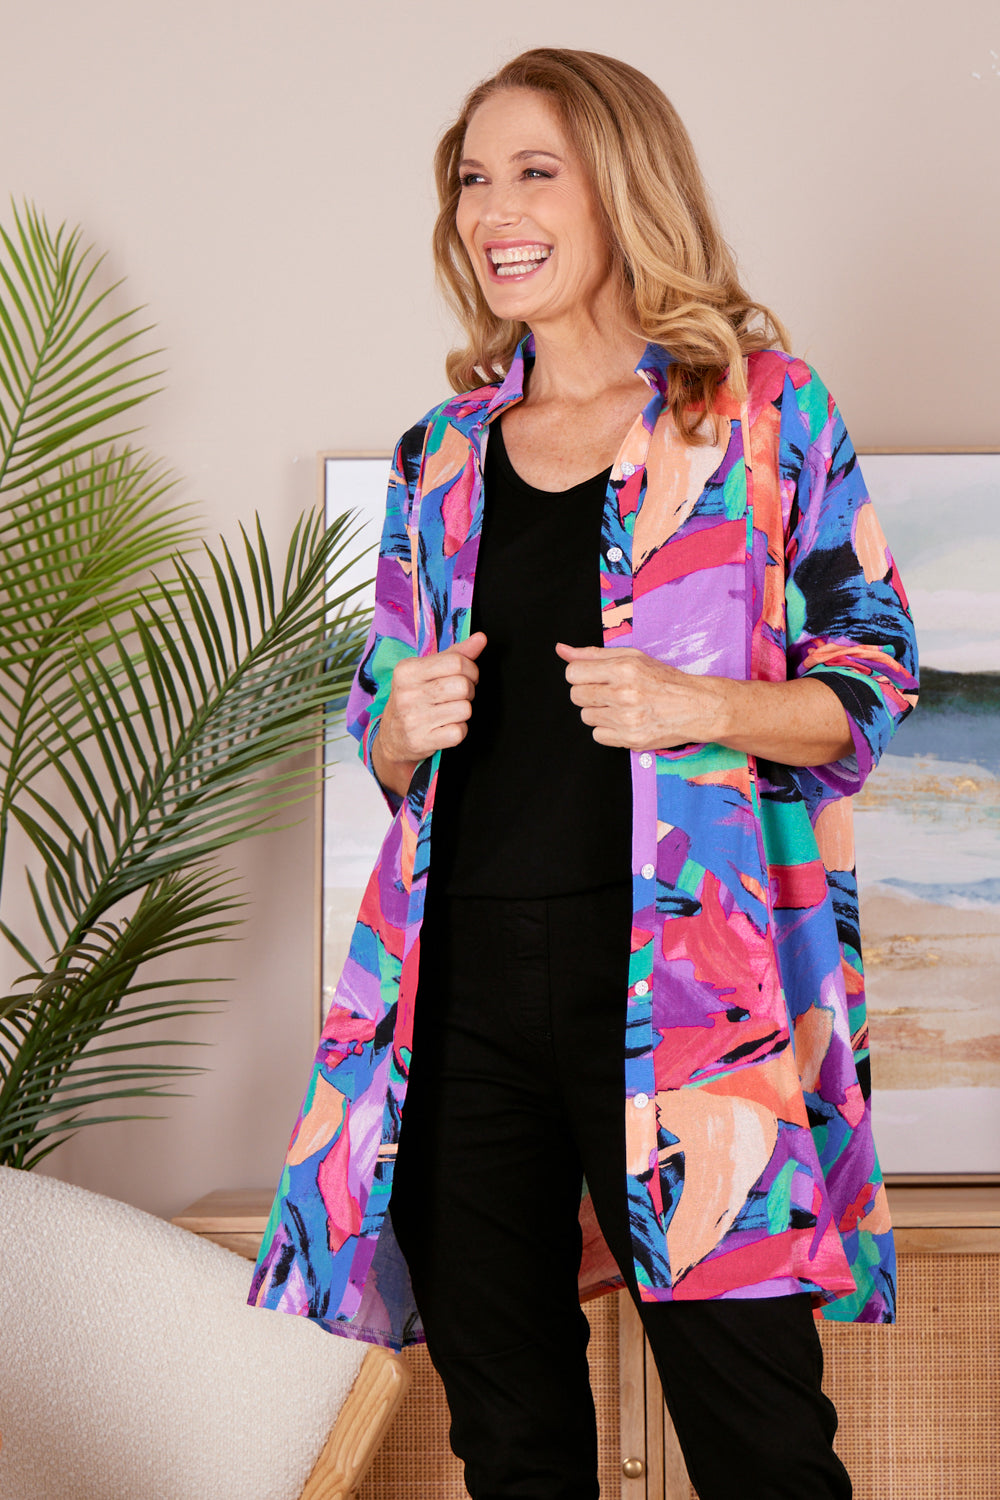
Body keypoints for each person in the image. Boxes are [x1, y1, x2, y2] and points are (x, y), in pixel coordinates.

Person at [249, 48, 918, 1500]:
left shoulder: (760, 415)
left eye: (534, 171)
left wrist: (704, 702)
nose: (494, 209)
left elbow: (872, 681)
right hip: (455, 995)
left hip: (693, 999)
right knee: (512, 1444)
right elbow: (384, 737)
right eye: (472, 180)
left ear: (623, 186)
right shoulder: (438, 459)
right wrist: (399, 725)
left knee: (763, 1445)